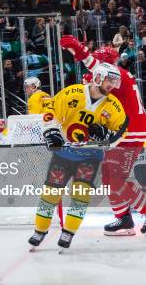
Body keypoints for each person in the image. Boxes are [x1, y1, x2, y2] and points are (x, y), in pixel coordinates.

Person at [29, 62, 128, 250]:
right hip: (64, 152)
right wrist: (51, 131)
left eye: (115, 82)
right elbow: (51, 110)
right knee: (50, 193)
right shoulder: (72, 93)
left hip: (90, 156)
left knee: (80, 196)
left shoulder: (114, 106)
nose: (112, 86)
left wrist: (107, 137)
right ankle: (40, 230)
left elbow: (121, 131)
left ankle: (69, 232)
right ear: (98, 76)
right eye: (109, 80)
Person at [60, 36, 146, 235]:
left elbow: (93, 66)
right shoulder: (115, 79)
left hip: (130, 131)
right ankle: (123, 219)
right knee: (109, 178)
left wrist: (80, 50)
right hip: (124, 131)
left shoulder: (117, 75)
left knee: (115, 180)